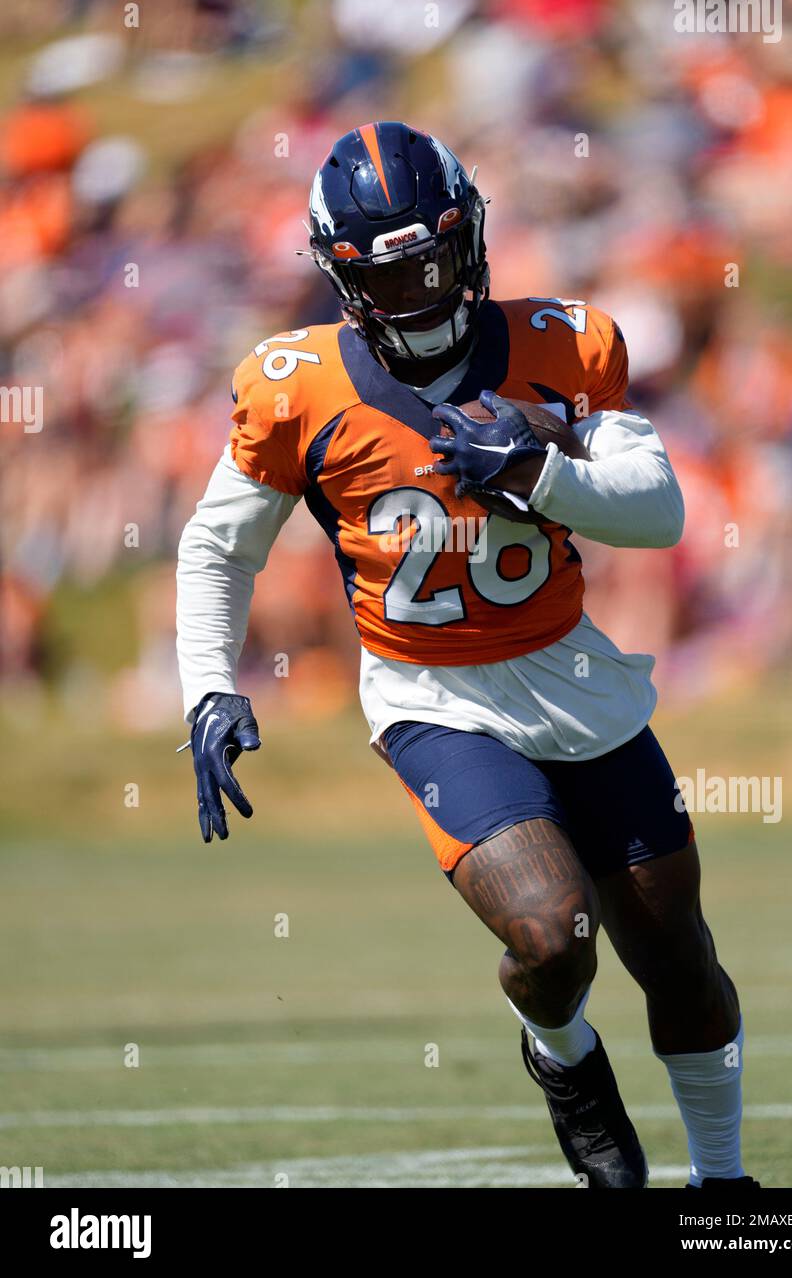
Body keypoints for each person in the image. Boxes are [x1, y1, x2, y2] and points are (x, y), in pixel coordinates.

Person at [176, 121, 758, 1189]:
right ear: (341, 279)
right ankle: (560, 1053)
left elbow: (659, 511)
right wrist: (208, 686)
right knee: (549, 931)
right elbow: (217, 547)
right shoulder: (293, 385)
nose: (421, 293)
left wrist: (539, 471)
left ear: (471, 242)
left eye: (435, 262)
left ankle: (721, 1189)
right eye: (388, 277)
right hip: (433, 692)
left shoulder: (562, 342)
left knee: (673, 947)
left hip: (576, 679)